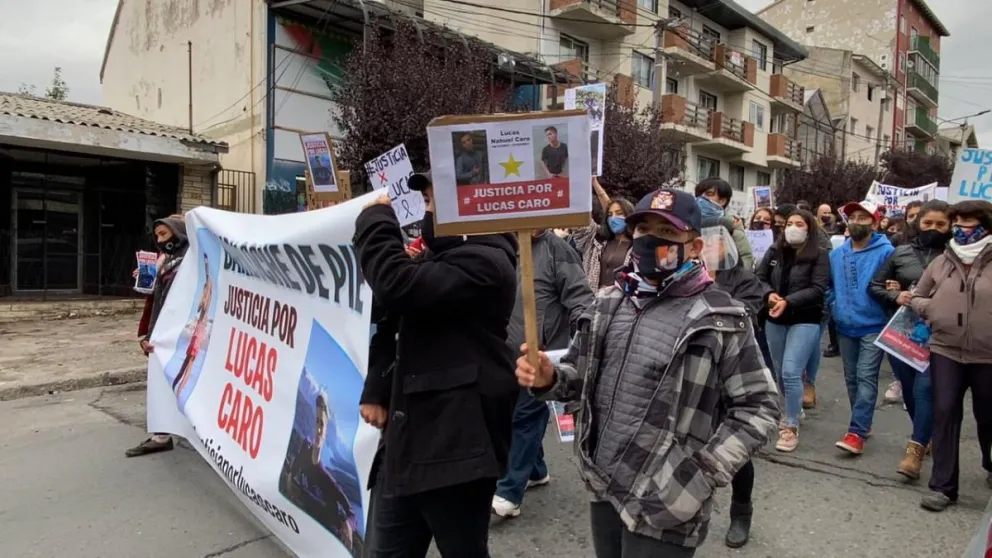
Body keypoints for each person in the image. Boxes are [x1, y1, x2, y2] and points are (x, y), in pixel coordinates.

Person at [516, 188, 780, 557]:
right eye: (644, 231)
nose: (651, 240)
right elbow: (579, 376)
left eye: (668, 233)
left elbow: (760, 407)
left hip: (668, 500)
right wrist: (550, 379)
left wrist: (702, 472)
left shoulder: (721, 317)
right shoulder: (608, 302)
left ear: (694, 247)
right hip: (604, 482)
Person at [353, 172, 518, 557]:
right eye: (426, 201)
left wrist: (376, 222)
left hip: (455, 446)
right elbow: (387, 314)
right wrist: (377, 388)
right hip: (405, 442)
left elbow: (397, 286)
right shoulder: (435, 258)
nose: (427, 211)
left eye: (434, 202)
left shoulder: (487, 262)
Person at [492, 229, 594, 518]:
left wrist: (576, 346)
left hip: (543, 357)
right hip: (506, 353)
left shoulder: (556, 250)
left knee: (524, 418)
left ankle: (509, 491)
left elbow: (582, 300)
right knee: (514, 414)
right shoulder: (501, 244)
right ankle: (536, 471)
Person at [910, 200, 992, 512]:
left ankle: (990, 461)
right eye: (957, 222)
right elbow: (918, 295)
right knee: (945, 412)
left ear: (985, 225)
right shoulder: (942, 261)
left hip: (988, 354)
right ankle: (943, 487)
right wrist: (930, 309)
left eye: (968, 223)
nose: (961, 229)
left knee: (988, 416)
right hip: (946, 349)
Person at [701, 226, 772, 549]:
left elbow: (747, 314)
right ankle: (687, 509)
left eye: (717, 241)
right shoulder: (684, 274)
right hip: (694, 372)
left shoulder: (743, 278)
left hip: (731, 372)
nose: (709, 247)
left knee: (735, 447)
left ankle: (741, 510)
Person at [869, 200, 950, 480]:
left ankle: (914, 450)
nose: (934, 229)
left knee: (925, 390)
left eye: (941, 224)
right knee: (910, 388)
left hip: (941, 334)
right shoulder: (899, 253)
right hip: (902, 333)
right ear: (917, 224)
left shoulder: (957, 255)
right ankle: (924, 435)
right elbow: (875, 286)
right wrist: (896, 295)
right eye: (928, 223)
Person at [756, 209, 830, 451]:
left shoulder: (819, 255)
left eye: (800, 223)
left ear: (810, 228)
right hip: (774, 318)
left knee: (791, 371)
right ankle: (793, 408)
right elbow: (759, 276)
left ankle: (790, 425)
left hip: (805, 318)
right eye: (789, 223)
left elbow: (818, 288)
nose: (793, 227)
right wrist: (769, 295)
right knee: (779, 371)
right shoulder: (775, 251)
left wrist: (789, 301)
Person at [829, 200, 895, 455]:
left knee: (866, 376)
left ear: (875, 223)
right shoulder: (837, 253)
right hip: (845, 325)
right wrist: (834, 304)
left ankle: (856, 432)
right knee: (851, 378)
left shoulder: (886, 252)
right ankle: (863, 424)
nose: (856, 221)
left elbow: (893, 284)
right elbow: (829, 286)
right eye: (852, 217)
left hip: (874, 325)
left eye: (863, 218)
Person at [126, 214, 189, 458]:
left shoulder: (192, 261)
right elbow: (155, 301)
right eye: (157, 236)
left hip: (184, 335)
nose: (161, 240)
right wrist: (146, 332)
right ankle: (162, 435)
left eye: (164, 234)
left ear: (179, 233)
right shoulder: (165, 261)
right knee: (162, 383)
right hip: (161, 333)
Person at [282, 392, 358, 551]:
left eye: (322, 424)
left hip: (325, 533)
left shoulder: (329, 477)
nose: (318, 429)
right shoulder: (306, 446)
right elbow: (294, 468)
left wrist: (348, 525)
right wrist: (289, 479)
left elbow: (351, 513)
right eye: (316, 422)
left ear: (327, 430)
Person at [570, 177, 635, 290]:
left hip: (624, 304)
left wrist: (596, 184)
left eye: (619, 213)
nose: (614, 218)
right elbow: (580, 219)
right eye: (610, 215)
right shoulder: (596, 241)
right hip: (595, 301)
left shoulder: (637, 247)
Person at [695, 177, 754, 268]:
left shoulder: (732, 227)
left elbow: (745, 258)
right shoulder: (688, 224)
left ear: (722, 201)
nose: (702, 198)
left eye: (709, 194)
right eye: (699, 194)